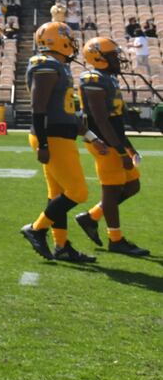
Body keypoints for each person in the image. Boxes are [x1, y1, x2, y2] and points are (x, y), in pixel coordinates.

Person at [19, 23, 95, 263]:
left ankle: (61, 246)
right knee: (78, 192)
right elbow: (37, 106)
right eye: (68, 38)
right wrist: (43, 143)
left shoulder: (57, 65)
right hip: (51, 136)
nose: (72, 43)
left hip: (59, 135)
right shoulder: (46, 64)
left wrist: (87, 134)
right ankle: (36, 228)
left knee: (57, 194)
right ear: (57, 40)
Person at [72, 37, 148, 256]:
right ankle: (116, 239)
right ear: (98, 57)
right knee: (112, 190)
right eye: (113, 55)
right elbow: (100, 120)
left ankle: (91, 217)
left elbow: (115, 122)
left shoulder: (108, 78)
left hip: (114, 139)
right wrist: (120, 150)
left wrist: (129, 146)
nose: (118, 59)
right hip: (103, 143)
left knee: (132, 185)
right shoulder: (93, 78)